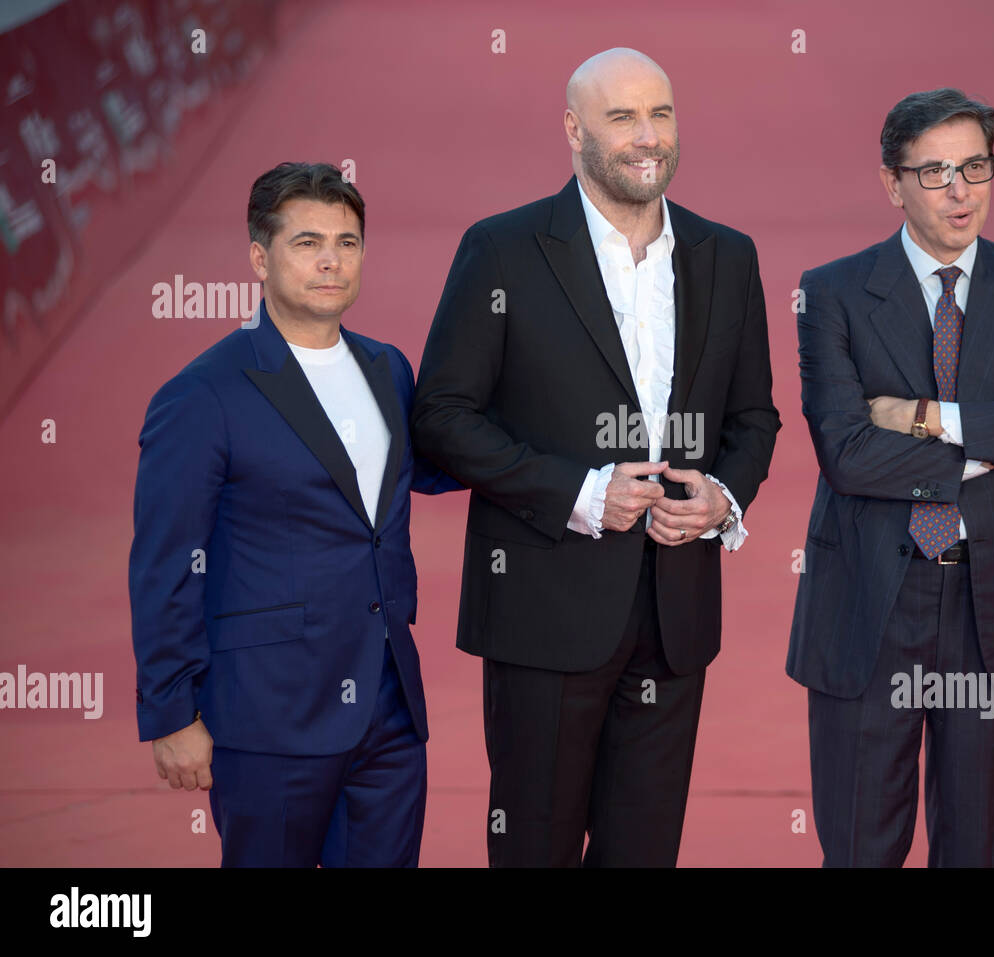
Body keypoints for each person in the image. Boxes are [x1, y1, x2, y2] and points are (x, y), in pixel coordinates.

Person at [411, 48, 780, 867]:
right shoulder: (503, 250)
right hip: (544, 609)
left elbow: (754, 415)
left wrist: (722, 494)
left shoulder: (728, 255)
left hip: (675, 615)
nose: (648, 136)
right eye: (622, 117)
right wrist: (579, 492)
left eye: (662, 113)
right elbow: (440, 416)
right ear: (575, 130)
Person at [787, 88, 994, 867]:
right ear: (892, 183)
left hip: (990, 600)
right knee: (859, 847)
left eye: (975, 166)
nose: (962, 191)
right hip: (870, 602)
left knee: (972, 848)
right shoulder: (831, 291)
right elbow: (848, 454)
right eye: (935, 172)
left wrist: (929, 417)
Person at [129, 162, 460, 867]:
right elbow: (165, 562)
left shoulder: (387, 367)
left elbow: (424, 468)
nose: (331, 260)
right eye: (307, 242)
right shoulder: (201, 395)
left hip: (390, 708)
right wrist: (171, 712)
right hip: (268, 718)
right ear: (259, 257)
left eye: (347, 242)